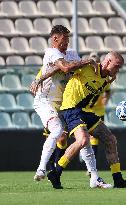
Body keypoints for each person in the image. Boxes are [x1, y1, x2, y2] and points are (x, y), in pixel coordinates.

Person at [30, 25, 111, 189]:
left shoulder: (72, 53)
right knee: (57, 130)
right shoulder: (52, 53)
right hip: (45, 101)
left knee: (82, 137)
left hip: (65, 104)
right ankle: (41, 169)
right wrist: (88, 60)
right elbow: (66, 68)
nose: (67, 43)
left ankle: (94, 177)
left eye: (68, 40)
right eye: (64, 40)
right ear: (55, 39)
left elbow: (75, 70)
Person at [50, 51, 126, 188]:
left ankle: (118, 179)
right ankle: (56, 172)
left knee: (110, 139)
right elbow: (64, 68)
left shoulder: (106, 79)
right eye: (117, 66)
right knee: (83, 140)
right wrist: (41, 78)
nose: (118, 70)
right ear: (107, 62)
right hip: (70, 109)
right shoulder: (89, 68)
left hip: (84, 111)